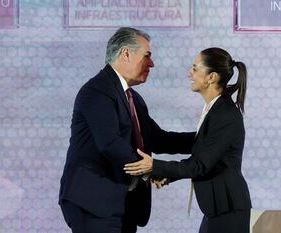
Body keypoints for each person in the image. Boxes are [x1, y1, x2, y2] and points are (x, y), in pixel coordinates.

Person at [58, 27, 195, 233]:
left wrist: (207, 137)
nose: (152, 63)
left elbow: (157, 139)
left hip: (124, 204)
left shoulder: (134, 99)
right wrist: (151, 171)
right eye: (147, 56)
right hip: (94, 201)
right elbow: (110, 144)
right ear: (126, 53)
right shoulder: (97, 91)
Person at [124, 47, 252, 233]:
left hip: (228, 208)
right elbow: (200, 149)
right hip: (218, 208)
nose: (189, 73)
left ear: (211, 77)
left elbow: (199, 165)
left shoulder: (224, 114)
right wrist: (168, 174)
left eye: (195, 68)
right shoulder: (215, 109)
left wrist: (155, 166)